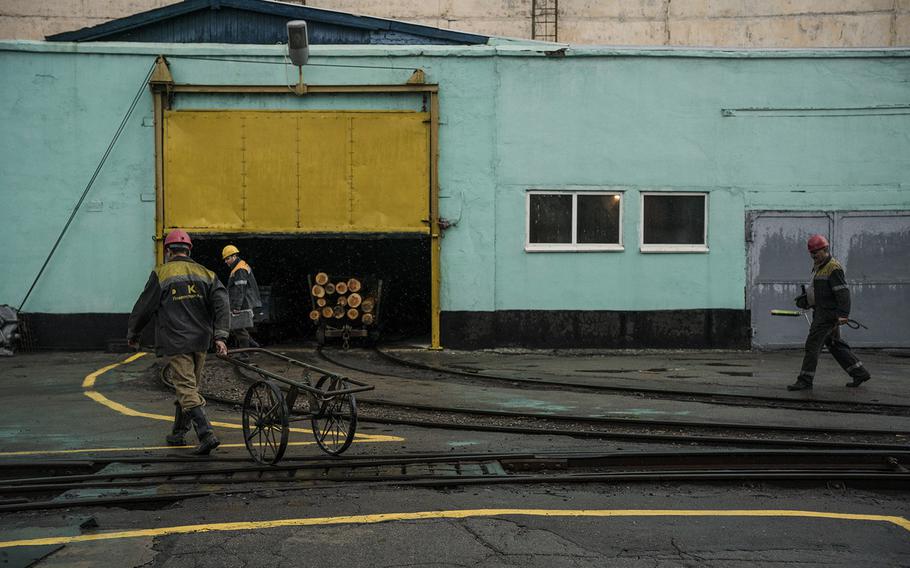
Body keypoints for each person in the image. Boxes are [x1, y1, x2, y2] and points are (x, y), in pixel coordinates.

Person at [127, 229, 230, 455]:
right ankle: (178, 433)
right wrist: (221, 335)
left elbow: (144, 307)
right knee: (189, 387)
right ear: (189, 249)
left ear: (168, 251)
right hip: (201, 340)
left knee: (185, 388)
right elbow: (222, 303)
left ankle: (206, 434)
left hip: (176, 340)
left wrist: (133, 333)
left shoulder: (161, 274)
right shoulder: (206, 274)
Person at [787, 234, 871, 391]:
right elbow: (819, 291)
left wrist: (843, 314)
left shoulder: (833, 268)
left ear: (825, 249)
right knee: (834, 344)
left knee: (812, 345)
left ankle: (805, 379)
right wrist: (806, 300)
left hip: (826, 315)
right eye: (811, 253)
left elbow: (843, 293)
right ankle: (859, 372)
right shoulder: (819, 266)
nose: (813, 256)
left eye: (816, 253)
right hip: (821, 312)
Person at [221, 244, 262, 353]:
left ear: (234, 256)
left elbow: (240, 289)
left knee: (238, 327)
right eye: (225, 259)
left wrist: (236, 307)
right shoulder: (238, 267)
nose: (226, 261)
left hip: (243, 303)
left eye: (227, 258)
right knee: (238, 327)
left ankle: (244, 355)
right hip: (244, 302)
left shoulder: (240, 269)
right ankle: (253, 346)